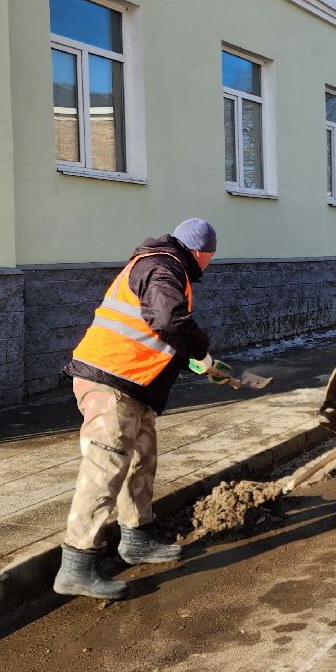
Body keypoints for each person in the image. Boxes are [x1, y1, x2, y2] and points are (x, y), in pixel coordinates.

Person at [53, 218, 218, 600]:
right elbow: (167, 319)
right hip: (110, 381)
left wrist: (189, 358)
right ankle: (76, 564)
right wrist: (199, 350)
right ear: (200, 252)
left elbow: (156, 329)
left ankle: (137, 538)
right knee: (105, 467)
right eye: (210, 258)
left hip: (131, 385)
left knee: (142, 457)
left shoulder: (164, 266)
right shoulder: (162, 267)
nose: (208, 264)